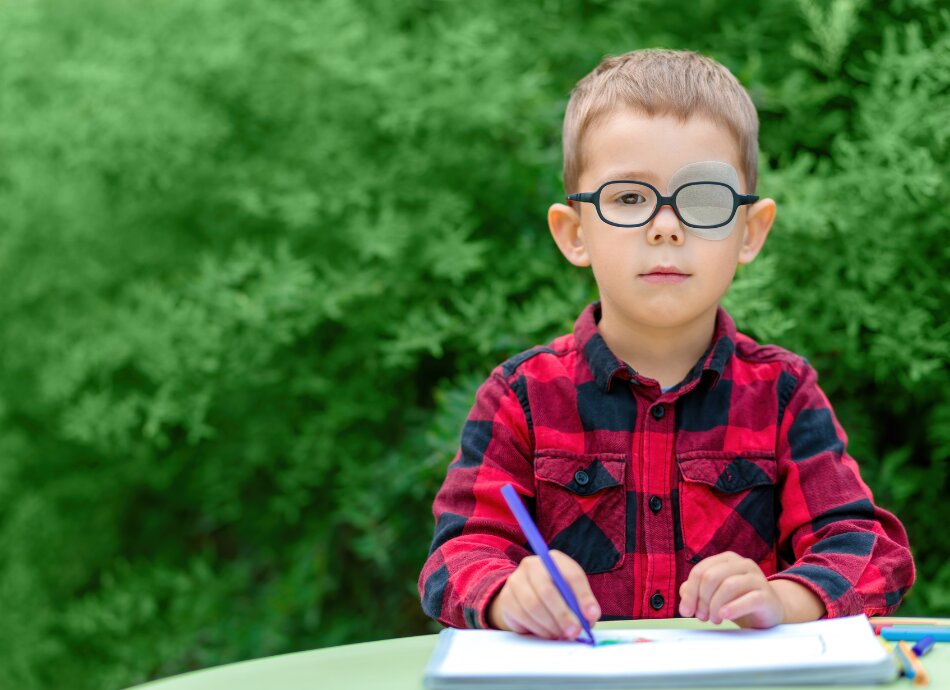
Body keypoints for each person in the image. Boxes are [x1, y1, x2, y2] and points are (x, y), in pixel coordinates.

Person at [418, 49, 915, 640]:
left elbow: (868, 552)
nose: (666, 225)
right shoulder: (521, 396)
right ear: (574, 234)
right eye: (629, 198)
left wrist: (780, 597)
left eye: (703, 199)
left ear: (749, 232)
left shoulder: (783, 394)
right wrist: (507, 594)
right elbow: (453, 560)